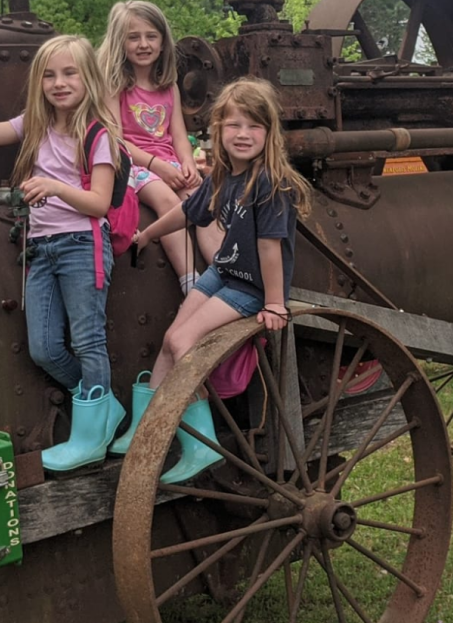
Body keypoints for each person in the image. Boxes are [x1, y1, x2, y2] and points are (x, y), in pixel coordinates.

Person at [0, 33, 125, 473]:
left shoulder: (98, 134)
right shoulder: (35, 126)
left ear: (88, 78)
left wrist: (55, 187)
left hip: (81, 244)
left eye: (70, 73)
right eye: (49, 75)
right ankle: (103, 405)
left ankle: (91, 437)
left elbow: (99, 203)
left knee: (88, 341)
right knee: (44, 349)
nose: (59, 83)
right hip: (40, 247)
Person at [118, 77, 312, 482]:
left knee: (183, 343)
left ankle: (202, 444)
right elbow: (189, 211)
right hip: (223, 272)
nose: (243, 134)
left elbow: (270, 248)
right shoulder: (225, 176)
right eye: (234, 124)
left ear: (269, 132)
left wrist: (275, 302)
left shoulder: (268, 183)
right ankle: (145, 429)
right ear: (218, 130)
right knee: (170, 340)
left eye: (254, 126)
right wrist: (148, 234)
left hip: (250, 287)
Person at [102, 0, 205, 295]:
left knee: (204, 200)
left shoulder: (168, 87)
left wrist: (188, 163)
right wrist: (155, 165)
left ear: (162, 42)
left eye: (151, 36)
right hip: (134, 166)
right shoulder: (115, 85)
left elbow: (179, 135)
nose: (143, 44)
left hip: (168, 162)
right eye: (133, 37)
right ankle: (191, 283)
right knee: (169, 202)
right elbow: (115, 139)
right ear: (119, 42)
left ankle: (223, 270)